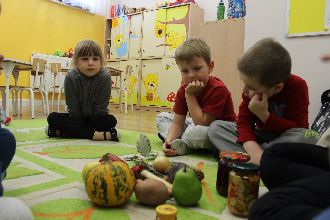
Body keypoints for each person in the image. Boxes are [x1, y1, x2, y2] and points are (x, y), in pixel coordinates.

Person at [208, 38, 320, 165]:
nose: (245, 91)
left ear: (277, 88)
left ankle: (248, 157)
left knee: (311, 136)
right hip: (259, 136)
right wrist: (252, 147)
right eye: (245, 83)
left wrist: (264, 116)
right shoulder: (250, 87)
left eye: (252, 87)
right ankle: (265, 158)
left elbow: (297, 127)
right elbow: (244, 122)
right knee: (215, 128)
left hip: (284, 137)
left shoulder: (298, 86)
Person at [156, 38, 237, 156]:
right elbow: (178, 123)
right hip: (198, 125)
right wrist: (170, 140)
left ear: (210, 67)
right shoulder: (182, 91)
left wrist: (190, 95)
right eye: (185, 71)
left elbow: (202, 123)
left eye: (197, 69)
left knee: (194, 133)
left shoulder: (217, 89)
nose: (191, 75)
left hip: (219, 132)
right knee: (162, 117)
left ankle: (185, 144)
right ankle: (178, 143)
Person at [46, 39, 120, 141]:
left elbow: (101, 107)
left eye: (95, 59)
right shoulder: (71, 77)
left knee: (111, 120)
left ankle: (63, 132)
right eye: (85, 59)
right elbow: (73, 107)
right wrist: (78, 122)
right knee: (52, 117)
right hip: (76, 119)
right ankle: (98, 135)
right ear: (76, 62)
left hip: (97, 119)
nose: (90, 63)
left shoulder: (105, 77)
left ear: (101, 61)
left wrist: (76, 127)